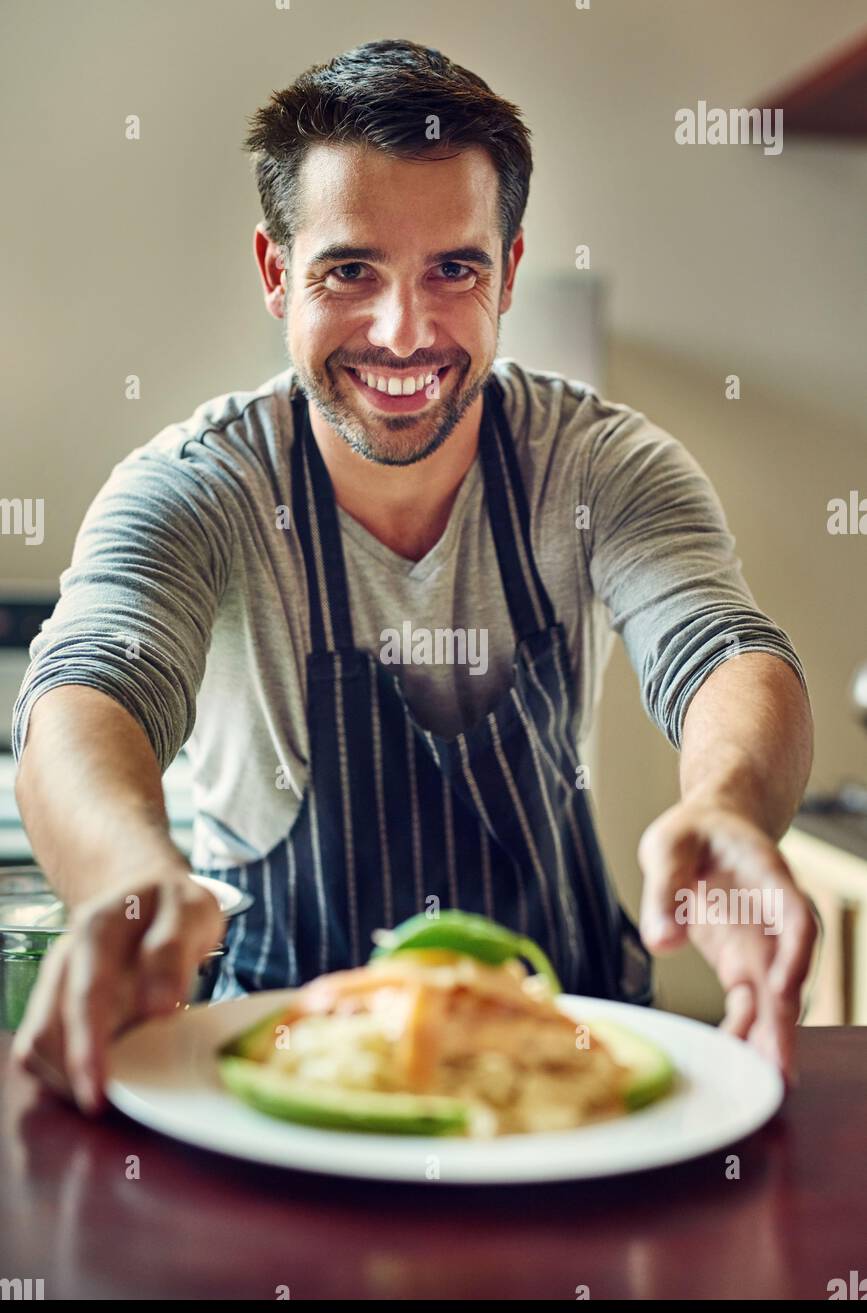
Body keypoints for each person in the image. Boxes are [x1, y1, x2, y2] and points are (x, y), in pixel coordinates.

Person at [11, 39, 815, 1116]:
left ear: (509, 273)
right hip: (268, 1071)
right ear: (274, 271)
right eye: (350, 270)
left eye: (454, 269)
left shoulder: (601, 464)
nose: (406, 331)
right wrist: (121, 874)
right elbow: (88, 689)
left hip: (562, 1070)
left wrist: (729, 807)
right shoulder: (194, 488)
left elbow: (722, 649)